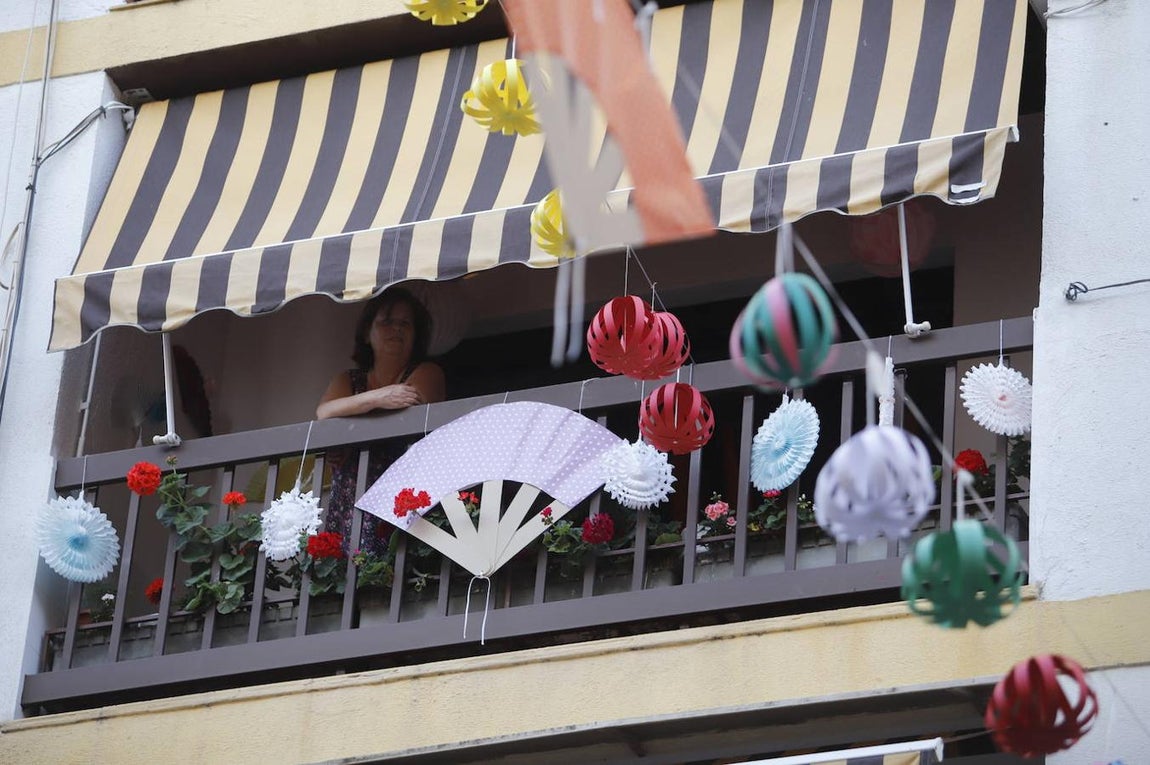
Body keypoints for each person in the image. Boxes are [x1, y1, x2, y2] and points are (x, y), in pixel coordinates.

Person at [317, 288, 445, 553]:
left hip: (402, 495)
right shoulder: (347, 379)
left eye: (405, 323)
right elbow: (324, 413)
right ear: (367, 333)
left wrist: (353, 413)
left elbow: (410, 408)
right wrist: (380, 398)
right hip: (352, 498)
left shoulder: (427, 372)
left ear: (415, 335)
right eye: (387, 321)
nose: (396, 329)